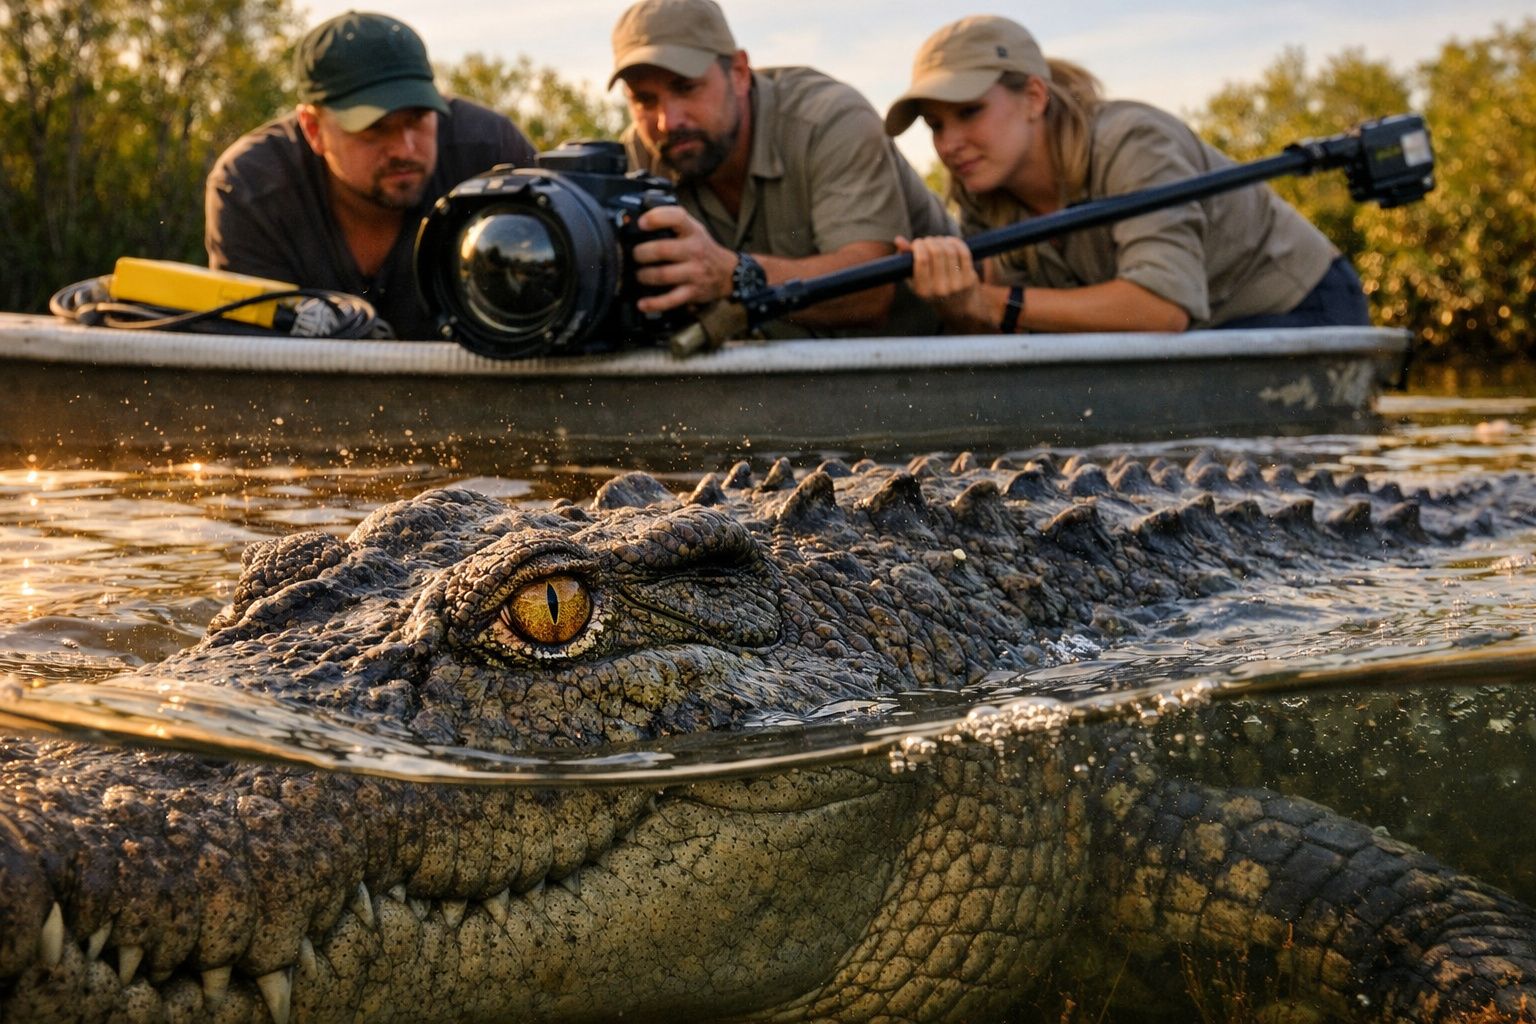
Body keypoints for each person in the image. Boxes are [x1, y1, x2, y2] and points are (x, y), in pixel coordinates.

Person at [885, 15, 1372, 335]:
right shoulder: (980, 185)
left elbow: (1160, 310)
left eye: (969, 112)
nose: (948, 144)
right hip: (1195, 336)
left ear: (1034, 97)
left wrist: (990, 302)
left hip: (1297, 305)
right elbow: (1005, 327)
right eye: (935, 125)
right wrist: (956, 301)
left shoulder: (1133, 141)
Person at [609, 0, 956, 338]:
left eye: (686, 88)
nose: (668, 122)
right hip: (778, 370)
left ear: (739, 73)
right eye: (644, 100)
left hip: (932, 362)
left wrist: (732, 275)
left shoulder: (829, 120)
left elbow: (869, 294)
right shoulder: (641, 153)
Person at [205, 11, 537, 339]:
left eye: (418, 118)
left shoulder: (493, 155)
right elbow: (254, 355)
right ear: (314, 128)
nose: (405, 149)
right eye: (375, 128)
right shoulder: (251, 188)